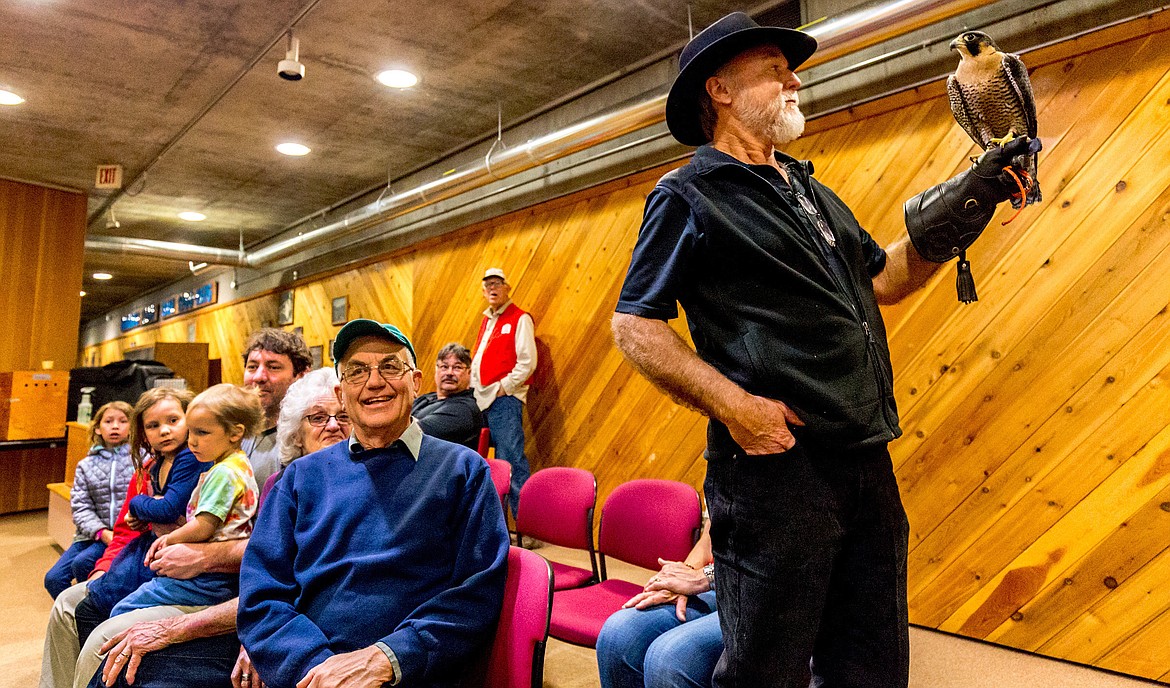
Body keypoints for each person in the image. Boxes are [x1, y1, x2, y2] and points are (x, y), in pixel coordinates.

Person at [611, 12, 1037, 687]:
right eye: (775, 71)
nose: (794, 80)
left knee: (870, 664)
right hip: (776, 473)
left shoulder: (813, 192)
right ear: (719, 90)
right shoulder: (689, 196)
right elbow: (636, 323)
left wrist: (970, 199)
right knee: (767, 670)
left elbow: (887, 279)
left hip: (865, 462)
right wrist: (738, 409)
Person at [238, 319, 509, 688]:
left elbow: (476, 592)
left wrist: (389, 658)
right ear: (342, 390)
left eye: (390, 367)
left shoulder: (463, 471)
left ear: (415, 382)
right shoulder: (298, 478)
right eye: (357, 371)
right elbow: (262, 596)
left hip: (406, 674)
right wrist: (316, 668)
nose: (375, 382)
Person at [92, 369, 351, 688]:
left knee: (110, 633)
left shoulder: (227, 471)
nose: (333, 425)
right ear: (296, 432)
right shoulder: (278, 484)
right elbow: (263, 569)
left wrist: (258, 638)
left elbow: (206, 528)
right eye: (317, 417)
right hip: (252, 609)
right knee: (105, 623)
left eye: (343, 416)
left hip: (250, 607)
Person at [40, 388, 206, 688]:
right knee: (64, 584)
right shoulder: (146, 466)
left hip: (170, 558)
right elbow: (117, 522)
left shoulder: (190, 460)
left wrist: (139, 506)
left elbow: (168, 508)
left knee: (97, 610)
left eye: (173, 420)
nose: (165, 430)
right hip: (117, 541)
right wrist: (110, 544)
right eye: (153, 425)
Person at [109, 384, 261, 617]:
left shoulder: (223, 473)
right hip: (216, 575)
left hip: (210, 579)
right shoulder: (239, 462)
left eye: (202, 433)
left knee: (122, 609)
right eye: (190, 432)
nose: (192, 442)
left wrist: (170, 538)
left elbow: (203, 527)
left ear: (235, 433)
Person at [597, 521, 720, 688]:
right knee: (618, 633)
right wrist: (685, 573)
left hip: (760, 596)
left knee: (669, 658)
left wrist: (705, 577)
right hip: (718, 587)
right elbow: (710, 536)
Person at [45, 401, 134, 599]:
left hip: (125, 534)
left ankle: (93, 612)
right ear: (98, 428)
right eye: (108, 421)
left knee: (83, 564)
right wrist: (101, 532)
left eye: (123, 421)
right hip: (94, 534)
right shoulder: (86, 464)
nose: (115, 426)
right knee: (53, 578)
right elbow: (81, 506)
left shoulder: (141, 459)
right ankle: (76, 615)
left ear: (132, 427)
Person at [471, 268, 536, 515]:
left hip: (504, 400)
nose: (492, 289)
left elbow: (528, 362)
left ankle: (527, 525)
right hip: (481, 399)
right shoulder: (486, 320)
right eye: (487, 285)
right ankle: (498, 525)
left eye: (497, 283)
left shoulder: (520, 318)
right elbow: (478, 359)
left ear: (507, 287)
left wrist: (503, 388)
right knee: (489, 463)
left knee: (512, 460)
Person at [240, 328, 312, 489]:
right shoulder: (235, 431)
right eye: (252, 367)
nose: (259, 377)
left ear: (301, 375)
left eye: (273, 367)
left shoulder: (307, 437)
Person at [412, 342, 483, 448]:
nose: (449, 373)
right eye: (444, 366)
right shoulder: (425, 398)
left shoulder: (464, 409)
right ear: (436, 370)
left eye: (457, 367)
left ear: (469, 373)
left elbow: (413, 434)